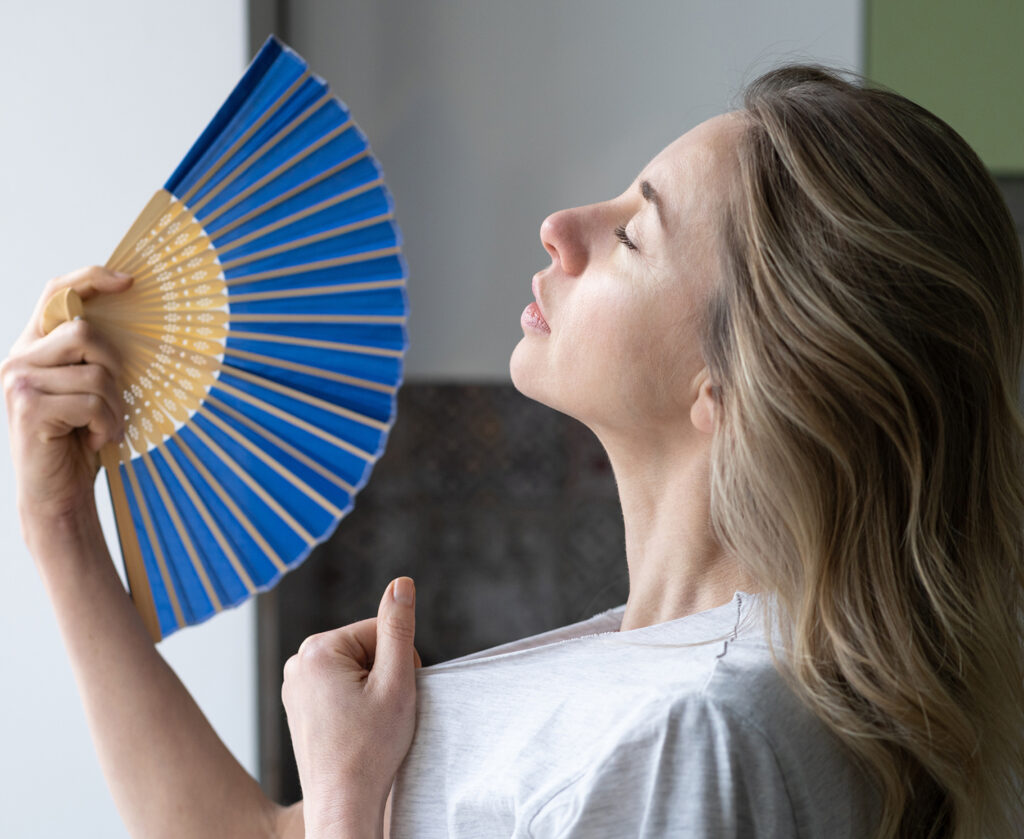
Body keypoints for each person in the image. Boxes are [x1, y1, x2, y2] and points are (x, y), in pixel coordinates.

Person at [4, 63, 1023, 839]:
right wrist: (61, 526)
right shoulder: (661, 658)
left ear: (737, 386)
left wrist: (349, 796)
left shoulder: (700, 728)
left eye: (632, 235)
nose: (562, 227)